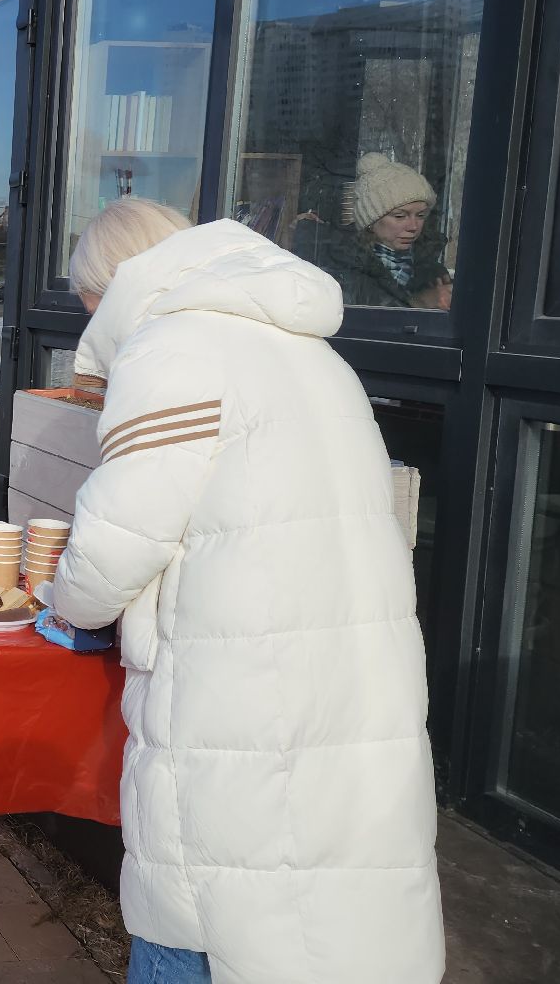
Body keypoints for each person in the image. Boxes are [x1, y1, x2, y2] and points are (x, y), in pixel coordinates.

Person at [51, 197, 444, 984]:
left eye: (87, 302)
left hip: (236, 688)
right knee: (325, 913)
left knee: (203, 902)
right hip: (338, 675)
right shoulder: (306, 349)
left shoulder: (172, 349)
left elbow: (115, 545)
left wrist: (63, 600)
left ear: (112, 285)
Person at [321, 153, 452, 309]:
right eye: (400, 216)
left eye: (421, 215)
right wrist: (419, 303)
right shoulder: (342, 268)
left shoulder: (433, 274)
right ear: (371, 221)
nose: (413, 226)